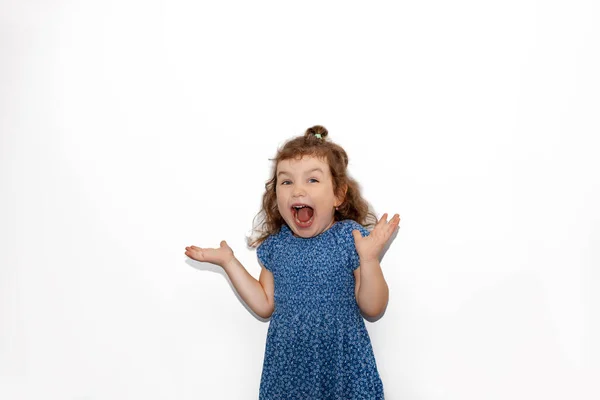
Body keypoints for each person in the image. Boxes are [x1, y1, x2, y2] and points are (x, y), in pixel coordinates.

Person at [185, 125, 400, 399]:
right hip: (289, 370)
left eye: (312, 180)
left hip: (340, 366)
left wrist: (369, 259)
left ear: (338, 194)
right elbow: (264, 304)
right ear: (276, 196)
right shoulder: (277, 246)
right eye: (286, 182)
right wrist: (229, 262)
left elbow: (374, 307)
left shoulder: (350, 239)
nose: (297, 190)